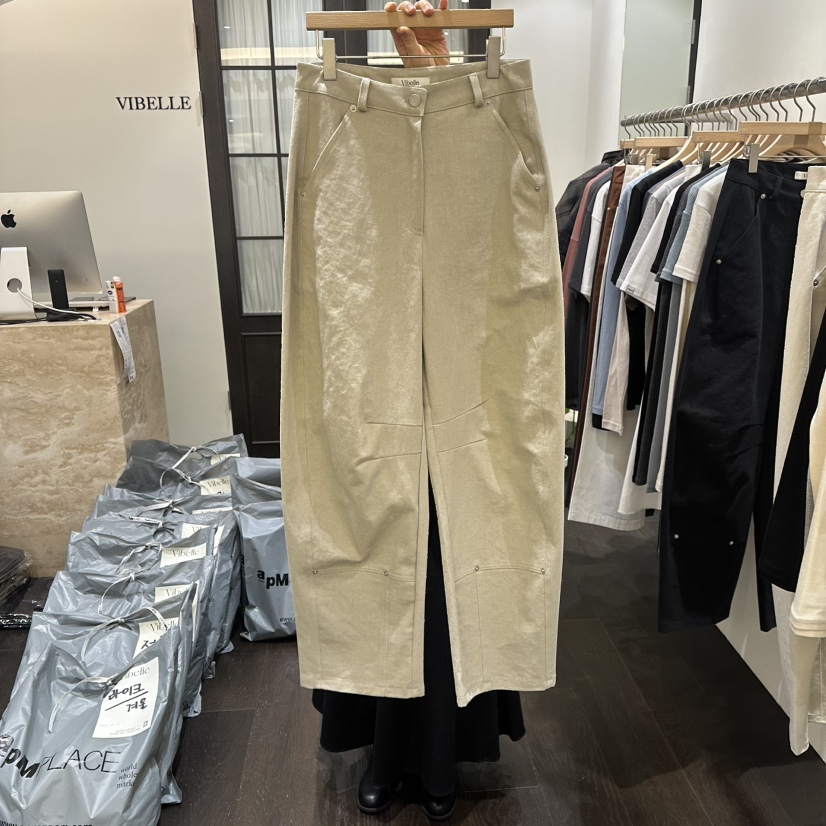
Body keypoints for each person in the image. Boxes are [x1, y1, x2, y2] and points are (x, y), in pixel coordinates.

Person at [310, 2, 526, 822]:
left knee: (452, 560)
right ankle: (384, 752)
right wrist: (413, 72)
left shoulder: (475, 114)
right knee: (373, 540)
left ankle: (444, 758)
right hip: (380, 409)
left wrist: (437, 69)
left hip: (462, 400)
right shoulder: (352, 120)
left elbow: (478, 216)